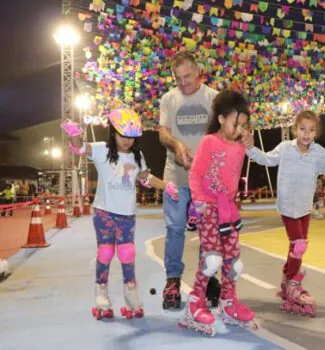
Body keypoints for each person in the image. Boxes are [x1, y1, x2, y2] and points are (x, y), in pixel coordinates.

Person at [61, 108, 179, 320]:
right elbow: (79, 148)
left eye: (131, 137)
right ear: (113, 132)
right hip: (104, 211)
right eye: (123, 135)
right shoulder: (101, 150)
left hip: (127, 214)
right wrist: (74, 133)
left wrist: (165, 185)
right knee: (105, 252)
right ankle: (101, 294)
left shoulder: (137, 155)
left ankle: (130, 294)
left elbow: (145, 178)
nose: (127, 141)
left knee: (127, 254)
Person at [245, 110, 325, 317]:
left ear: (316, 133)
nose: (306, 134)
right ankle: (292, 281)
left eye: (311, 130)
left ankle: (288, 281)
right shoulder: (285, 148)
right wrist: (250, 148)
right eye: (302, 129)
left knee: (298, 246)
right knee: (299, 244)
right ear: (295, 129)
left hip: (305, 207)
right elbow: (267, 159)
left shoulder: (319, 153)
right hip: (287, 205)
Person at [178, 90, 256, 336]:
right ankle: (195, 303)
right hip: (208, 207)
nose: (240, 129)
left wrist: (250, 143)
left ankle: (228, 303)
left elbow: (253, 153)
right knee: (212, 260)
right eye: (237, 123)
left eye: (244, 125)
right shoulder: (209, 142)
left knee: (235, 262)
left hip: (228, 209)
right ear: (222, 119)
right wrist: (199, 201)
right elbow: (195, 173)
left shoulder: (241, 145)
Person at [158, 51, 221, 309]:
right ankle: (173, 280)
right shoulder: (168, 99)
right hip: (176, 177)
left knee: (209, 233)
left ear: (198, 72)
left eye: (187, 77)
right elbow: (163, 132)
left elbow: (224, 133)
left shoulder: (214, 98)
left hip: (207, 181)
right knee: (174, 229)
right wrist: (176, 146)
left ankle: (209, 278)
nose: (183, 83)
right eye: (177, 78)